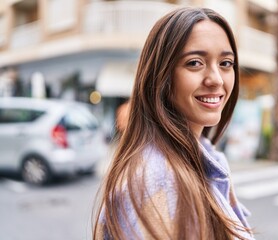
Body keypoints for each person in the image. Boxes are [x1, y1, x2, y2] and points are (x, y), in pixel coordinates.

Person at [93, 7, 255, 240]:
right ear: (162, 77)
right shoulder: (156, 180)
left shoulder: (201, 159)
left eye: (226, 63)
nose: (217, 79)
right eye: (195, 63)